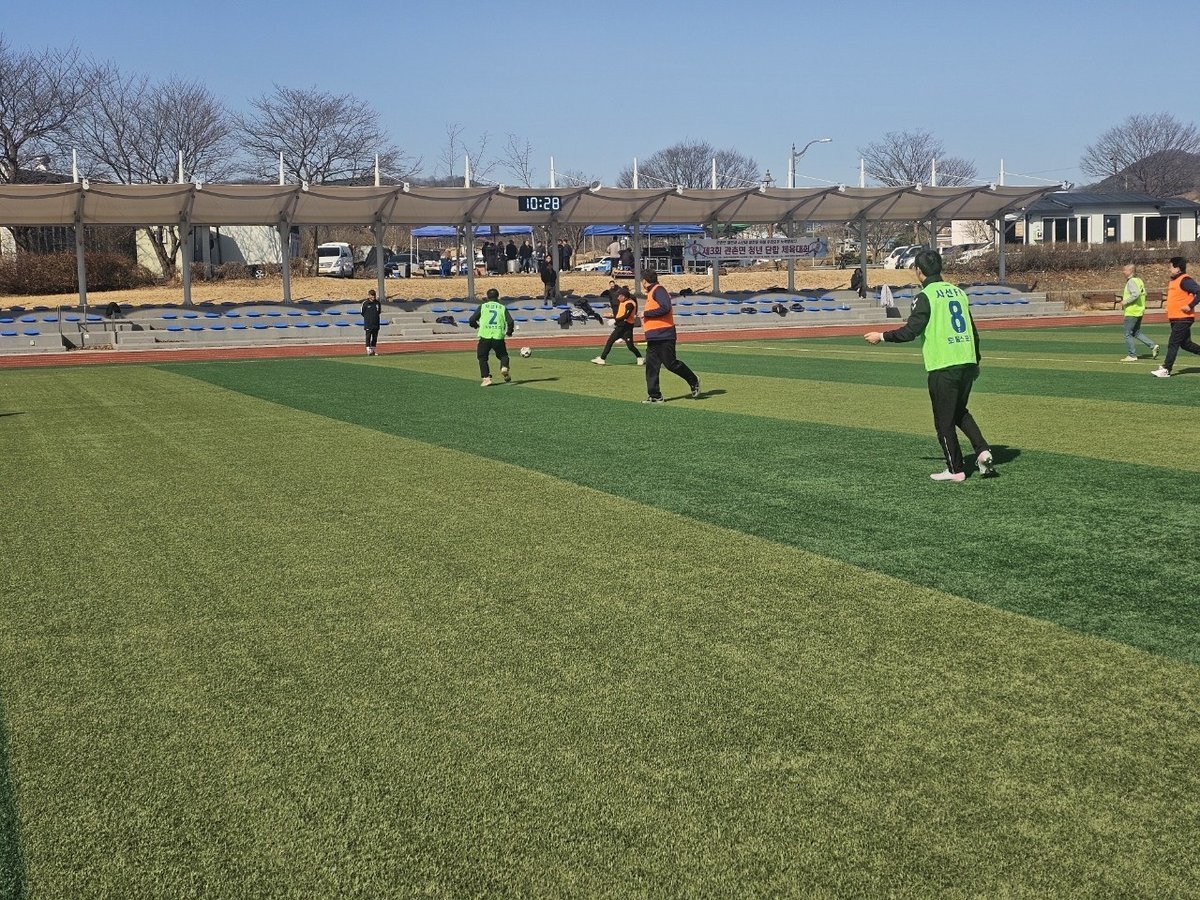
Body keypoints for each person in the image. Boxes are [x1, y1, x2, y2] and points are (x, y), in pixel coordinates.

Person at [865, 249, 996, 482]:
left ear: (918, 271)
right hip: (966, 361)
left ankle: (955, 470)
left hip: (943, 364)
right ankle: (982, 451)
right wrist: (976, 360)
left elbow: (911, 331)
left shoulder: (925, 296)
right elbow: (973, 330)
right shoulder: (958, 292)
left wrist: (881, 336)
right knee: (959, 411)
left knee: (943, 421)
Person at [640, 270, 700, 402]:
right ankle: (655, 396)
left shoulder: (658, 290)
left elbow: (665, 308)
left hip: (664, 335)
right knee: (651, 367)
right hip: (654, 336)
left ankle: (693, 379)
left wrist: (646, 313)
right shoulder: (652, 292)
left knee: (671, 364)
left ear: (644, 281)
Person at [1151, 256, 1200, 378]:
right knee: (1185, 344)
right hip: (1176, 318)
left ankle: (1166, 369)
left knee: (1173, 342)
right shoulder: (1174, 281)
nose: (1169, 269)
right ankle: (1166, 368)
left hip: (1183, 318)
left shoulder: (1185, 280)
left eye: (1171, 267)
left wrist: (1190, 305)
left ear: (1178, 268)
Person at [467, 287, 514, 387]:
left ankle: (486, 378)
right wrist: (509, 332)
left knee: (482, 357)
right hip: (498, 336)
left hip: (485, 336)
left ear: (487, 297)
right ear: (497, 297)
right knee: (503, 355)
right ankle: (504, 367)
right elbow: (510, 321)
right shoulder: (502, 307)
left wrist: (476, 326)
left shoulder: (483, 306)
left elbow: (471, 320)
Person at [591, 286, 644, 366]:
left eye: (619, 296)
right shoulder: (623, 302)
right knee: (629, 345)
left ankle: (602, 359)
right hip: (623, 326)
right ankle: (640, 358)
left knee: (612, 341)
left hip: (625, 326)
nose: (618, 297)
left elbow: (626, 316)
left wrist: (615, 320)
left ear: (624, 297)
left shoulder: (629, 304)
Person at [1118, 263, 1159, 362]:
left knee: (1128, 334)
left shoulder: (1131, 281)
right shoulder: (1139, 280)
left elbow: (1135, 294)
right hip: (1139, 310)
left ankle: (1132, 355)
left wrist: (1125, 301)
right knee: (1136, 332)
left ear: (1130, 271)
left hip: (1132, 311)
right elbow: (1144, 293)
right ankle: (1152, 345)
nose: (1123, 272)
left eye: (1125, 270)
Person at [361, 289, 381, 355]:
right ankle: (368, 349)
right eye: (372, 295)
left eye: (374, 295)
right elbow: (362, 312)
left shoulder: (377, 303)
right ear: (369, 295)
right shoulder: (365, 303)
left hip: (376, 323)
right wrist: (368, 318)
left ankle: (373, 350)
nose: (373, 297)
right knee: (368, 337)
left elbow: (379, 312)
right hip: (368, 323)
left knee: (375, 337)